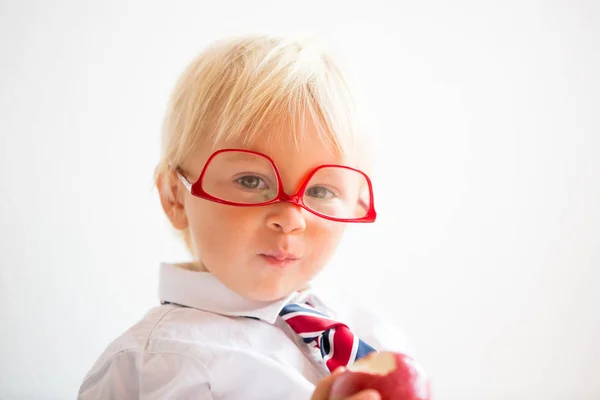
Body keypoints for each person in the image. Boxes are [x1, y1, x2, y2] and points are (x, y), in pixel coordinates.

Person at [78, 34, 409, 400]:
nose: (291, 219)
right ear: (176, 196)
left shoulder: (366, 330)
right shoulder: (164, 366)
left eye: (320, 191)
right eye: (251, 181)